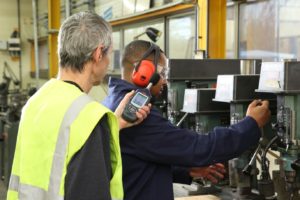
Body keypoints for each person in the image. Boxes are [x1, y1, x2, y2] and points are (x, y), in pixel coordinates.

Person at [102, 40, 271, 200]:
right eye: (162, 73)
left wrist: (186, 170)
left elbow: (137, 160)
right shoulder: (139, 115)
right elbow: (199, 147)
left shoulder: (114, 101)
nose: (165, 81)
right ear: (144, 71)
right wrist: (251, 124)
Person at [7, 12, 150, 200]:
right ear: (98, 54)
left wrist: (116, 122)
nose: (108, 63)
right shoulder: (89, 117)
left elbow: (56, 149)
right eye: (109, 54)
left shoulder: (36, 102)